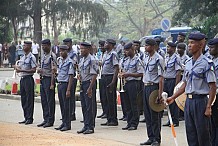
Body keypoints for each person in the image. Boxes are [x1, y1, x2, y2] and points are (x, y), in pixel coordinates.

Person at [166, 32, 216, 146]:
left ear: (201, 45)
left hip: (201, 102)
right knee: (191, 134)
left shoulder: (207, 63)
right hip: (189, 103)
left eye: (192, 43)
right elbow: (184, 84)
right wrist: (173, 97)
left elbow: (213, 87)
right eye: (189, 42)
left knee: (203, 136)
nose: (189, 45)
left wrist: (208, 107)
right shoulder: (188, 63)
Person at [140, 38, 164, 146]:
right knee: (147, 114)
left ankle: (156, 139)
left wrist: (160, 93)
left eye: (147, 45)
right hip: (146, 86)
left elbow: (161, 78)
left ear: (153, 47)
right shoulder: (146, 58)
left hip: (154, 87)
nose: (145, 47)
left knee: (155, 114)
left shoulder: (158, 59)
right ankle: (150, 137)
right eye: (145, 45)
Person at [120, 42, 143, 131]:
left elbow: (141, 73)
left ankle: (134, 123)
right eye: (125, 50)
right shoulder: (126, 60)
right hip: (126, 83)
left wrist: (129, 74)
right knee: (127, 104)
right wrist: (121, 74)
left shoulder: (137, 60)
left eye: (127, 50)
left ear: (132, 49)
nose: (125, 52)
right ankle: (129, 122)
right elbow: (123, 70)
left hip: (134, 83)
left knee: (134, 104)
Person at [77, 42, 98, 134]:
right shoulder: (82, 59)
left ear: (88, 49)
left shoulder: (92, 60)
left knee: (90, 106)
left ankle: (90, 126)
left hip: (89, 84)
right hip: (83, 83)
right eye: (80, 49)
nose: (81, 51)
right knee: (84, 106)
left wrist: (90, 88)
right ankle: (86, 125)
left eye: (83, 49)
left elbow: (94, 75)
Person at [16, 41, 37, 125]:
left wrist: (21, 70)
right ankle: (25, 117)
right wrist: (18, 67)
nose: (23, 47)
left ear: (29, 46)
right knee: (23, 99)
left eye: (25, 45)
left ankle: (30, 118)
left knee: (29, 99)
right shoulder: (23, 57)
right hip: (23, 78)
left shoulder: (32, 57)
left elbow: (33, 69)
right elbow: (21, 66)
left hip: (28, 78)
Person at [37, 39, 56, 128]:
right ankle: (45, 119)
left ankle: (50, 120)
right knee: (44, 100)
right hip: (43, 79)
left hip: (49, 79)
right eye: (42, 46)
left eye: (45, 45)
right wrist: (39, 70)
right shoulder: (43, 56)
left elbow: (53, 71)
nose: (43, 47)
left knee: (50, 101)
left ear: (49, 45)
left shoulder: (52, 56)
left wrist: (52, 83)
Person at [55, 45, 74, 131]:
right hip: (60, 84)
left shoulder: (70, 62)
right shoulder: (60, 61)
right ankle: (63, 122)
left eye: (63, 51)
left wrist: (68, 89)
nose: (61, 52)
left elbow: (71, 76)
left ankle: (67, 124)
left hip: (66, 84)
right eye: (60, 51)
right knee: (62, 105)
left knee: (67, 106)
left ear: (67, 51)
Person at [162, 42, 182, 127]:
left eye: (169, 47)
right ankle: (170, 119)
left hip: (172, 81)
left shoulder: (176, 58)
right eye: (167, 47)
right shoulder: (166, 57)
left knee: (173, 101)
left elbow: (178, 72)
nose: (167, 49)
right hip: (166, 80)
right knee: (167, 100)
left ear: (174, 49)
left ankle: (175, 120)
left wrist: (176, 85)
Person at [100, 39, 119, 126]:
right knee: (106, 99)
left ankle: (113, 119)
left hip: (110, 77)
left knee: (111, 99)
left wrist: (113, 81)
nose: (105, 44)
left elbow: (116, 68)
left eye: (107, 43)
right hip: (104, 77)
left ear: (111, 45)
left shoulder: (113, 54)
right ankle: (109, 118)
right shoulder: (105, 54)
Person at [63, 38, 77, 121]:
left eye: (67, 43)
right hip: (65, 77)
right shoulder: (64, 53)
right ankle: (66, 113)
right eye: (65, 43)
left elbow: (74, 64)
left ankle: (72, 113)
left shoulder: (73, 54)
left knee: (71, 96)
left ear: (71, 43)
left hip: (72, 77)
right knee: (66, 97)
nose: (66, 45)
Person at [208, 38, 218, 146]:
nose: (210, 49)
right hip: (211, 94)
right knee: (211, 123)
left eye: (212, 47)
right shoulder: (209, 60)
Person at [176, 42, 190, 121]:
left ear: (184, 50)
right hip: (179, 77)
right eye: (178, 48)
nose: (179, 50)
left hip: (183, 76)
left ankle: (182, 114)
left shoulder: (187, 58)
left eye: (180, 48)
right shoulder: (177, 57)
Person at [133, 40, 144, 120]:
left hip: (140, 77)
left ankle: (141, 109)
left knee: (140, 94)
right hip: (134, 77)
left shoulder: (142, 55)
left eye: (137, 45)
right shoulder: (131, 55)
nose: (136, 47)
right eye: (134, 45)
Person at [97, 40, 108, 119]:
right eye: (100, 46)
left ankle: (108, 112)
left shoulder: (109, 54)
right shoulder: (102, 54)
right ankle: (104, 111)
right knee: (102, 96)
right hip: (101, 76)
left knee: (107, 96)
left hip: (107, 76)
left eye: (102, 46)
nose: (101, 47)